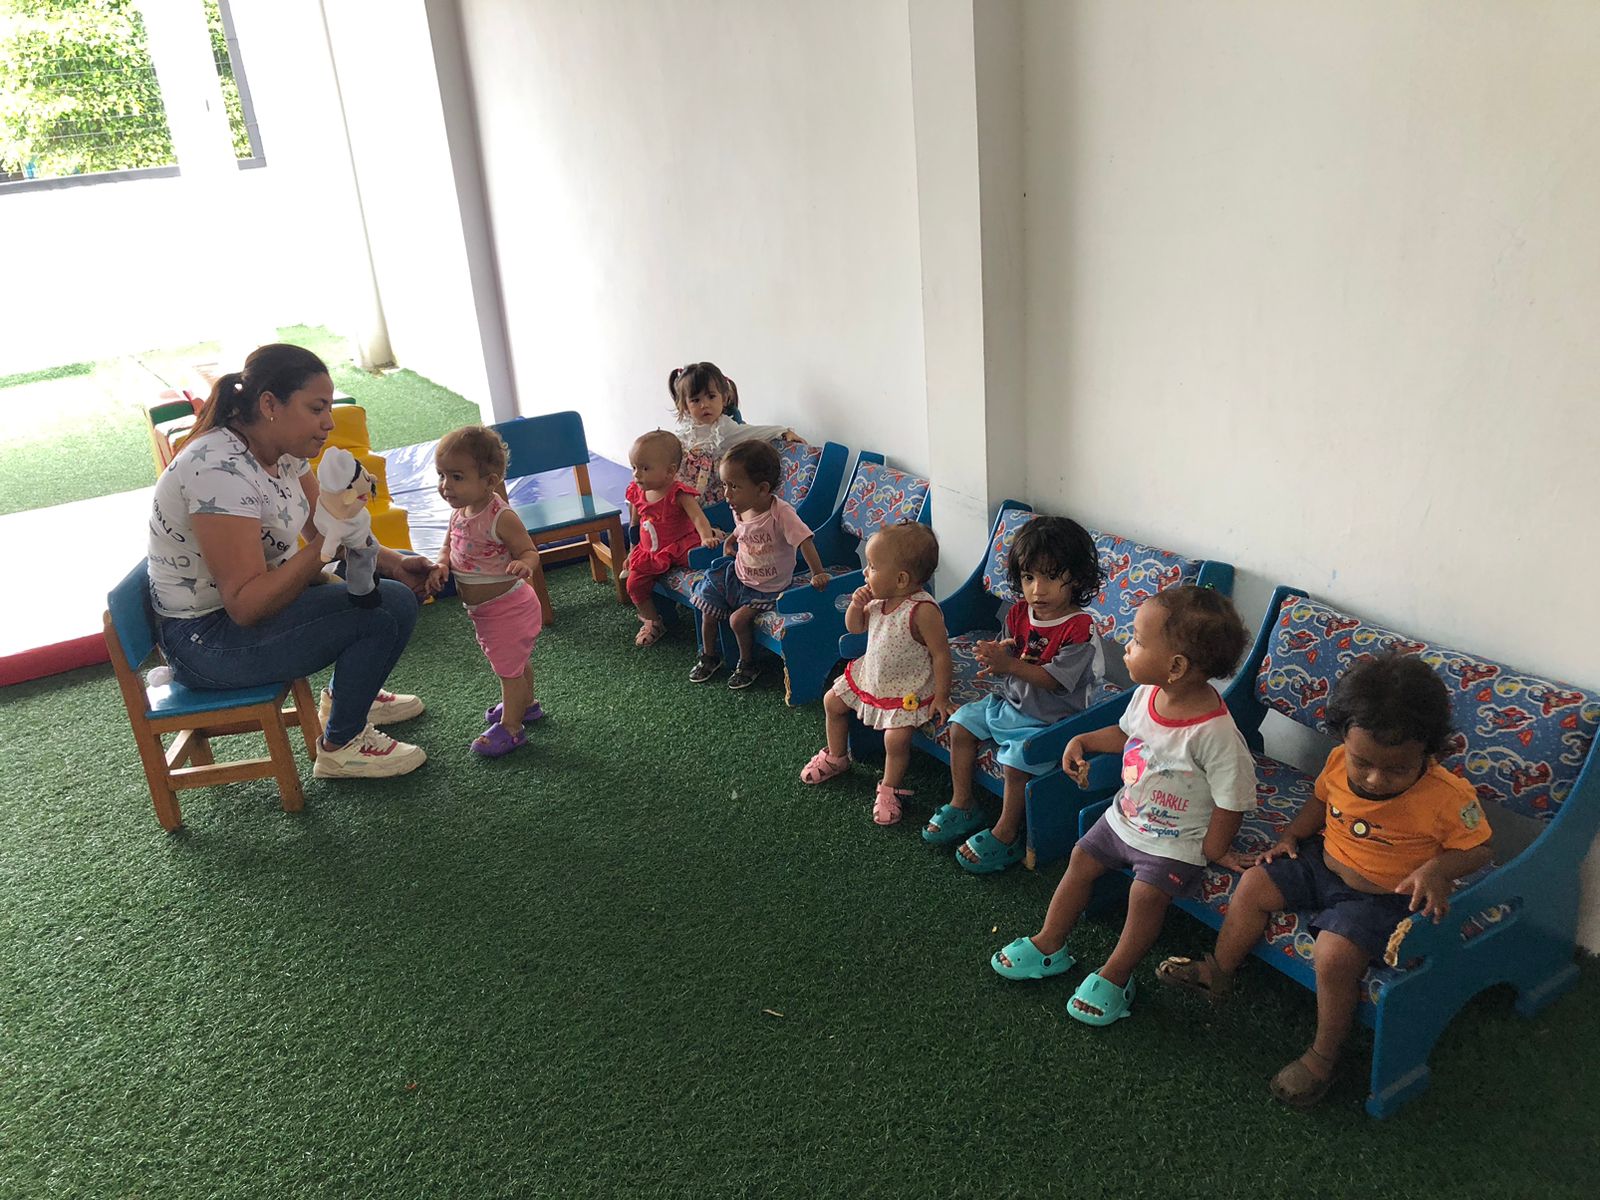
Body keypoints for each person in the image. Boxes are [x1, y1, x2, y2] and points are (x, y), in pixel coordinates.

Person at [1155, 653, 1492, 1109]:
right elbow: (1320, 801)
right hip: (1322, 862)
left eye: (1396, 769)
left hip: (1385, 897)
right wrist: (1292, 835)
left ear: (1429, 752)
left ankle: (1323, 1057)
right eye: (1363, 762)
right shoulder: (1337, 761)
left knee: (1333, 954)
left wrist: (1436, 870)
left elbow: (1479, 849)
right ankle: (1218, 971)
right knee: (1253, 886)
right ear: (1343, 738)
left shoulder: (1448, 796)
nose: (1375, 779)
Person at [147, 343, 432, 779]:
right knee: (387, 606)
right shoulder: (218, 472)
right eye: (316, 408)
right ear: (269, 405)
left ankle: (348, 696)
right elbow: (246, 605)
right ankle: (341, 747)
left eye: (328, 408)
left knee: (391, 573)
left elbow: (322, 530)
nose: (329, 422)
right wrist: (328, 543)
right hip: (205, 641)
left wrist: (394, 563)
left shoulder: (284, 450)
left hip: (243, 610)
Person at [989, 585, 1256, 1027]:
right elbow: (1128, 734)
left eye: (1137, 641)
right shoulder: (1148, 694)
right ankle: (1049, 943)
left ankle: (1116, 974)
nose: (1127, 647)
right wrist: (1083, 741)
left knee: (1145, 894)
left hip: (1174, 841)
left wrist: (1215, 850)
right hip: (1126, 817)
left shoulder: (1216, 734)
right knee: (1080, 857)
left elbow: (1233, 798)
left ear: (1176, 666)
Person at [921, 517, 1106, 873]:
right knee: (961, 725)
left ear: (1077, 578)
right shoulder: (1021, 611)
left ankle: (1006, 834)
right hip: (1011, 702)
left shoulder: (1079, 629)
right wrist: (996, 654)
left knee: (1016, 761)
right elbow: (1013, 649)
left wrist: (1009, 665)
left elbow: (1054, 682)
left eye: (1050, 577)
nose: (1037, 590)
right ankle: (963, 803)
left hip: (1053, 719)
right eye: (1028, 577)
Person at [798, 522, 955, 825]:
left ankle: (890, 787)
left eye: (872, 566)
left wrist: (942, 696)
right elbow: (855, 627)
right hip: (873, 675)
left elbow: (941, 654)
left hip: (907, 686)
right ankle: (837, 756)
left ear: (901, 579)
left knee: (895, 740)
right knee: (832, 701)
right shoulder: (879, 599)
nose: (865, 572)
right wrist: (856, 606)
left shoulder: (922, 610)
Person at [427, 425, 545, 757]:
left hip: (508, 607)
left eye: (457, 477)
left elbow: (529, 551)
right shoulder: (459, 513)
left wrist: (524, 564)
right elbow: (448, 546)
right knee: (514, 662)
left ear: (489, 481)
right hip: (485, 612)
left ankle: (512, 728)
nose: (445, 485)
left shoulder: (500, 517)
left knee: (507, 670)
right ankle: (527, 704)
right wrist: (441, 564)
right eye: (441, 475)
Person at [689, 440, 829, 689]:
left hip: (768, 587)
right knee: (706, 605)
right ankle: (709, 656)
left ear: (762, 489)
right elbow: (743, 528)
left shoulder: (781, 514)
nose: (727, 494)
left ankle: (748, 663)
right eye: (724, 485)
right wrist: (731, 539)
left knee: (737, 621)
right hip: (738, 574)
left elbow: (804, 540)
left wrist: (817, 573)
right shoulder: (740, 505)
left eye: (734, 486)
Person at [623, 430, 720, 647]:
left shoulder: (678, 493)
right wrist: (632, 551)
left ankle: (716, 536)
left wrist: (706, 537)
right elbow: (634, 526)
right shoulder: (637, 492)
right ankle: (652, 621)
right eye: (634, 467)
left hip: (680, 544)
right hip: (650, 551)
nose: (637, 474)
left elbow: (697, 516)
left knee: (706, 560)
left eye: (645, 468)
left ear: (670, 471)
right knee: (633, 584)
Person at [668, 362, 800, 505]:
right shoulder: (687, 431)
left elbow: (755, 432)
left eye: (711, 397)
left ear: (724, 398)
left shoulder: (723, 429)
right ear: (685, 406)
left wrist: (783, 432)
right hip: (684, 497)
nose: (704, 405)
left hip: (711, 502)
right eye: (695, 400)